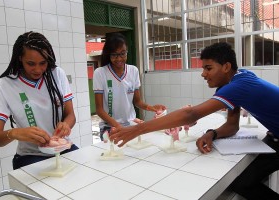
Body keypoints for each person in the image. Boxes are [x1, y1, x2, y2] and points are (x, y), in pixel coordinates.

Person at [110, 42, 279, 200]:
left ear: (226, 67)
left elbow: (191, 114)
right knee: (242, 179)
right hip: (275, 135)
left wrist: (136, 130)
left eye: (208, 68)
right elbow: (232, 125)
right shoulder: (239, 78)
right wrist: (212, 134)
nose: (203, 74)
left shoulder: (239, 86)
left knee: (242, 182)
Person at [0, 31, 79, 169]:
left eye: (43, 63)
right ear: (20, 58)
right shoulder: (4, 86)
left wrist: (66, 125)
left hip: (61, 148)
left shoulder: (57, 74)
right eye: (31, 63)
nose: (38, 69)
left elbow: (70, 115)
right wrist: (15, 133)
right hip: (30, 156)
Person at [93, 33, 165, 140]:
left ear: (127, 52)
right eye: (114, 55)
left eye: (122, 53)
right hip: (110, 126)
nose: (119, 59)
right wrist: (119, 126)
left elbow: (137, 102)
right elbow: (99, 110)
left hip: (131, 123)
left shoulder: (133, 70)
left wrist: (152, 108)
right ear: (109, 55)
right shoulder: (100, 73)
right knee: (114, 155)